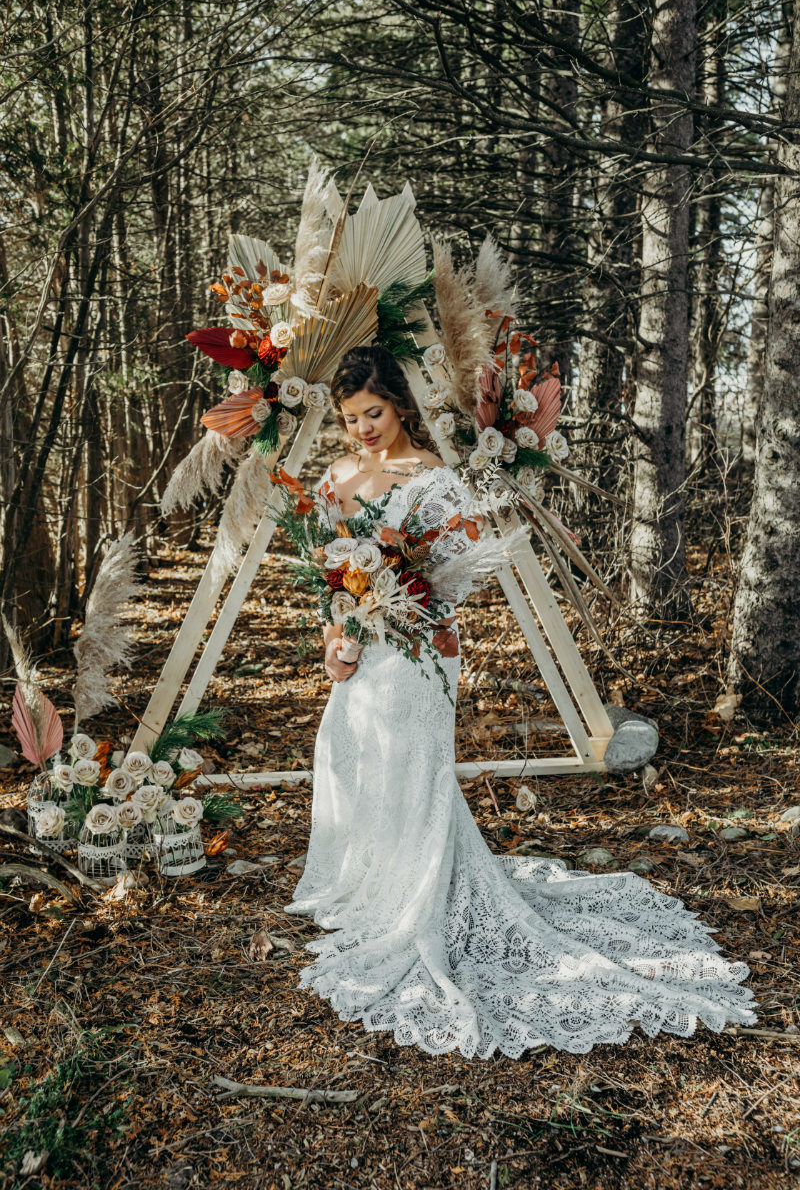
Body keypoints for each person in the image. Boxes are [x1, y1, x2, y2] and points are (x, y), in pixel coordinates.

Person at [284, 344, 756, 1059]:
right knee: (349, 756)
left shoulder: (434, 478)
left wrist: (393, 601)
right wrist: (338, 636)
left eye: (373, 413)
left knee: (414, 771)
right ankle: (364, 884)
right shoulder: (336, 477)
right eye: (350, 419)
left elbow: (453, 578)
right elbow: (326, 571)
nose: (362, 430)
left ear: (401, 405)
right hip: (360, 650)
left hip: (417, 652)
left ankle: (414, 898)